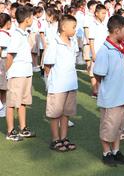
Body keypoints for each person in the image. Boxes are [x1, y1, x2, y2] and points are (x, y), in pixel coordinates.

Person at [93, 15, 124, 166]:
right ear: (116, 30)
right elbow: (98, 73)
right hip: (111, 96)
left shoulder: (120, 48)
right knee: (108, 126)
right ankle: (106, 152)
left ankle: (116, 151)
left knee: (118, 126)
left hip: (121, 95)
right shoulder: (105, 50)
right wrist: (106, 86)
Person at [43, 14, 78, 152]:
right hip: (58, 85)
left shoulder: (73, 42)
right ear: (63, 27)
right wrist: (51, 80)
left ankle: (64, 138)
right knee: (55, 113)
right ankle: (55, 139)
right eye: (73, 27)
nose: (75, 30)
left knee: (66, 113)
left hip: (71, 84)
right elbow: (47, 65)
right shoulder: (55, 43)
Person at [5, 5, 35, 141]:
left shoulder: (24, 33)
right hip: (17, 73)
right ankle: (10, 131)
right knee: (12, 103)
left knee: (23, 102)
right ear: (27, 19)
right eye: (32, 17)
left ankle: (23, 128)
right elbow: (10, 56)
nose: (33, 19)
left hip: (26, 72)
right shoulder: (17, 34)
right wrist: (6, 72)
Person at [0, 13, 12, 117]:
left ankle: (3, 106)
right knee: (2, 86)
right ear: (7, 23)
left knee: (3, 86)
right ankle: (2, 107)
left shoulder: (5, 34)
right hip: (2, 61)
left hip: (4, 61)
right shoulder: (2, 35)